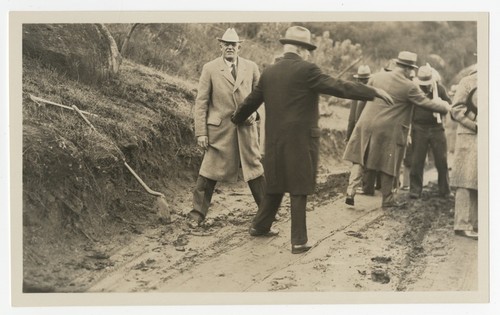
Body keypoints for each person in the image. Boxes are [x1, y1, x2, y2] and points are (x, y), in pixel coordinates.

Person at [231, 26, 394, 254]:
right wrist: (371, 92)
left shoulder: (269, 73)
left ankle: (259, 226)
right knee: (298, 189)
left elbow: (250, 102)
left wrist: (236, 118)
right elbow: (338, 87)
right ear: (301, 49)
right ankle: (298, 241)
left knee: (275, 186)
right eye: (307, 49)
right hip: (301, 143)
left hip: (275, 143)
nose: (308, 54)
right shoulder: (307, 70)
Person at [343, 51, 450, 208]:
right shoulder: (409, 86)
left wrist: (359, 122)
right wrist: (445, 107)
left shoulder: (376, 77)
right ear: (407, 69)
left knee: (360, 157)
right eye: (411, 70)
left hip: (365, 124)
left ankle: (350, 191)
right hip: (388, 128)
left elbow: (362, 99)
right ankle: (387, 199)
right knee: (389, 160)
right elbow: (426, 103)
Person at [189, 28, 265, 227]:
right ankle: (197, 214)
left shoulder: (252, 68)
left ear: (239, 47)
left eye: (234, 44)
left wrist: (255, 114)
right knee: (208, 173)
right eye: (226, 44)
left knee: (254, 171)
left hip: (246, 130)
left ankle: (266, 212)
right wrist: (201, 133)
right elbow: (201, 102)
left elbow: (261, 98)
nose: (230, 47)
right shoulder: (210, 68)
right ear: (220, 46)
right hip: (219, 131)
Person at [409, 64, 452, 199]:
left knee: (441, 160)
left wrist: (440, 103)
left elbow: (449, 105)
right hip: (419, 128)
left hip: (437, 128)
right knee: (417, 160)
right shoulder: (413, 89)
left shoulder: (439, 89)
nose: (425, 86)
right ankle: (415, 190)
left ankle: (444, 190)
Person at [450, 68, 478, 239]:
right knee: (465, 179)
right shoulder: (468, 81)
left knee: (479, 180)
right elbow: (456, 109)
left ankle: (475, 223)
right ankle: (462, 224)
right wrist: (476, 123)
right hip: (469, 136)